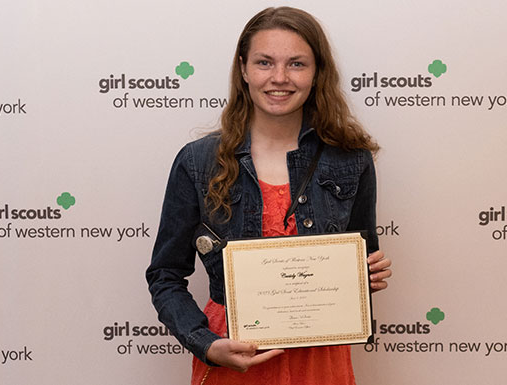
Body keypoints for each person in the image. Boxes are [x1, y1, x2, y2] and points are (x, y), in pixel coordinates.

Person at [146, 6, 392, 384]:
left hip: (320, 360)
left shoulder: (351, 159)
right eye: (264, 62)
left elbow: (360, 261)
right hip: (234, 355)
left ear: (317, 73)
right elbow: (165, 274)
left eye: (297, 64)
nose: (279, 78)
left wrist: (364, 275)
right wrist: (205, 343)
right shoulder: (197, 163)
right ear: (243, 69)